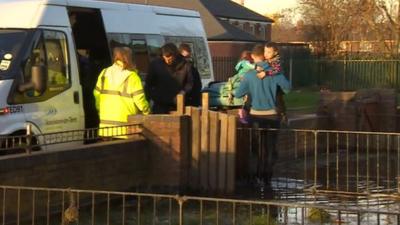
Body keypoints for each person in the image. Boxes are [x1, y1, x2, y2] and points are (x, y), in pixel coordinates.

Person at [234, 44, 291, 185]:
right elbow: (288, 88)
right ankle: (267, 178)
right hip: (272, 115)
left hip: (255, 116)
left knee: (258, 147)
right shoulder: (275, 72)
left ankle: (257, 176)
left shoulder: (249, 75)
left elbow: (238, 93)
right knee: (270, 148)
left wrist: (249, 87)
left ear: (253, 57)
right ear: (264, 56)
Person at [93, 47, 150, 138]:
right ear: (129, 59)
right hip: (126, 129)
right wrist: (147, 113)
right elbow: (140, 101)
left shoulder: (104, 73)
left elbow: (96, 95)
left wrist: (101, 111)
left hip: (105, 129)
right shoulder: (132, 76)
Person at [145, 43, 194, 113]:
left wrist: (184, 91)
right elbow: (149, 84)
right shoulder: (155, 65)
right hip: (160, 104)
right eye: (165, 58)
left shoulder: (185, 65)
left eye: (170, 58)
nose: (168, 61)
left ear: (175, 55)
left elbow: (190, 82)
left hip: (177, 104)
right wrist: (149, 100)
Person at [256, 42, 287, 124]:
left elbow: (276, 70)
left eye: (269, 52)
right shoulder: (266, 60)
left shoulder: (277, 60)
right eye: (265, 51)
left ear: (275, 52)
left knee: (277, 97)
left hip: (277, 83)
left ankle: (282, 114)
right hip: (269, 83)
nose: (266, 54)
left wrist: (265, 73)